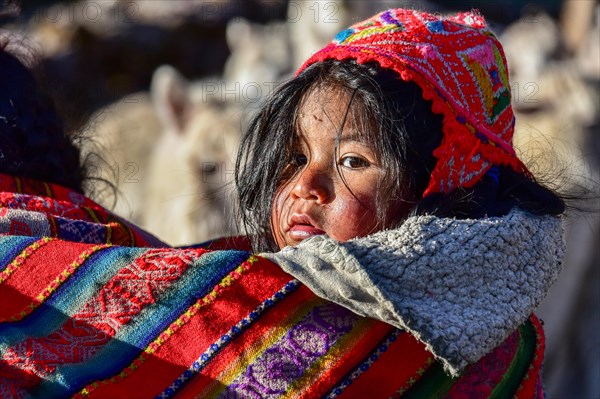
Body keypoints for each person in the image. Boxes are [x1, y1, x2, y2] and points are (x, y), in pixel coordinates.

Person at [0, 8, 564, 398]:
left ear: (440, 189)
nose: (305, 186)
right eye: (294, 158)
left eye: (352, 163)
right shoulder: (503, 330)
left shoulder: (271, 309)